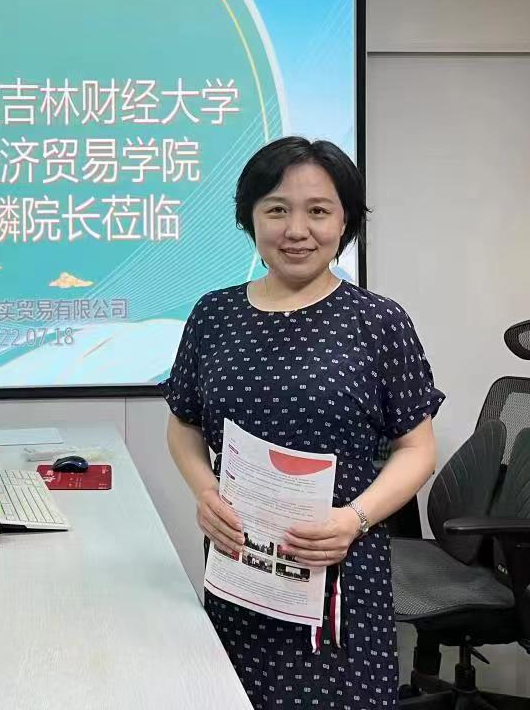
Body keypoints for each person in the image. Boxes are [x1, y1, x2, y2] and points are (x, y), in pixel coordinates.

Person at [164, 136, 444, 710]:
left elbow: (417, 449)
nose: (297, 230)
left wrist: (352, 519)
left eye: (318, 210)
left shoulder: (378, 322)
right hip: (241, 568)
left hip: (340, 572)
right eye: (277, 209)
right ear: (250, 218)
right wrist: (206, 493)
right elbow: (183, 426)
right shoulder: (213, 315)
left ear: (345, 221)